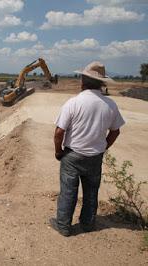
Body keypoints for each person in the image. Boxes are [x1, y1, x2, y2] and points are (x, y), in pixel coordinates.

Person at [50, 61, 125, 237]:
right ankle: (88, 223)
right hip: (95, 157)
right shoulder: (110, 105)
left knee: (68, 191)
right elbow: (116, 132)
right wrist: (103, 146)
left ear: (83, 80)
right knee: (91, 192)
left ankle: (63, 226)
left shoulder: (74, 102)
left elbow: (59, 132)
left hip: (72, 155)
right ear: (102, 82)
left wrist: (58, 151)